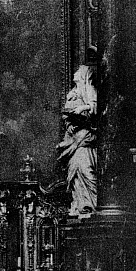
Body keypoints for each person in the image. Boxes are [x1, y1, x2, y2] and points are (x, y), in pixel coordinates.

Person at [57, 65, 97, 216]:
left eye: (79, 70)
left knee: (86, 170)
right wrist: (69, 124)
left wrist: (82, 109)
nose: (76, 71)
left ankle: (90, 206)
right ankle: (80, 206)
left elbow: (96, 107)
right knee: (76, 172)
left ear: (84, 76)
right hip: (73, 138)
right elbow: (66, 115)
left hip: (84, 140)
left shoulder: (89, 89)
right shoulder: (72, 92)